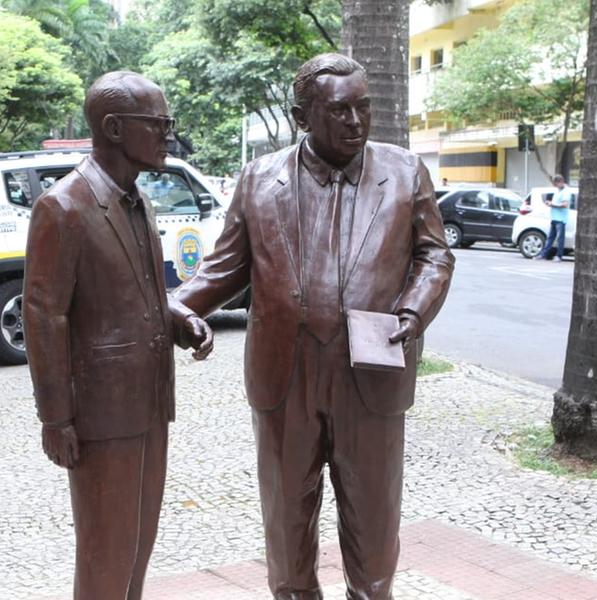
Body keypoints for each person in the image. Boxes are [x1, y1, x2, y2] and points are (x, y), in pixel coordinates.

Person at [169, 53, 454, 599]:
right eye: (339, 110)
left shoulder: (403, 171)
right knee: (286, 527)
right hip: (285, 379)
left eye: (363, 108)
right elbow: (224, 269)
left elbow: (434, 255)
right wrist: (179, 306)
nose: (356, 122)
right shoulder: (258, 180)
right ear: (302, 116)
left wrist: (413, 312)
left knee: (373, 523)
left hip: (371, 375)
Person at [23, 71, 213, 600]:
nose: (168, 135)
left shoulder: (138, 202)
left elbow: (143, 292)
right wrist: (55, 417)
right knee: (106, 550)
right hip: (101, 412)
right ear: (112, 128)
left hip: (149, 400)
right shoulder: (63, 207)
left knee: (138, 544)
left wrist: (180, 319)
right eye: (157, 124)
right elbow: (44, 316)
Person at [537, 174, 570, 260]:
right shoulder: (558, 190)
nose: (555, 186)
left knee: (560, 239)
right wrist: (550, 203)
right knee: (550, 238)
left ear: (561, 182)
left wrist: (552, 204)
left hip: (561, 219)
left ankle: (559, 255)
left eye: (556, 184)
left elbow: (565, 204)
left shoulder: (566, 191)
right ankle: (543, 254)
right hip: (554, 218)